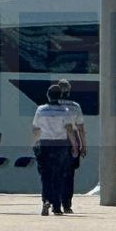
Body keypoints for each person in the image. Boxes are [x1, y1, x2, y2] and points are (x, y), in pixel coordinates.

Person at [30, 83, 78, 216]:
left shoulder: (40, 110)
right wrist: (74, 146)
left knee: (45, 175)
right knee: (58, 175)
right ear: (60, 95)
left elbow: (36, 129)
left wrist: (33, 143)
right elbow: (69, 129)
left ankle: (46, 200)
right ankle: (57, 207)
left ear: (48, 95)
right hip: (61, 146)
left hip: (44, 144)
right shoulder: (65, 111)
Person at [55, 79, 86, 213]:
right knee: (69, 175)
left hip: (54, 140)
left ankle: (54, 202)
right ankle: (66, 205)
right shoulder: (75, 106)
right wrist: (83, 146)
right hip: (71, 141)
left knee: (55, 173)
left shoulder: (49, 106)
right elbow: (80, 129)